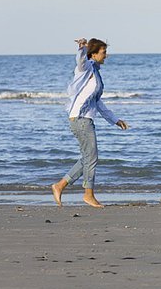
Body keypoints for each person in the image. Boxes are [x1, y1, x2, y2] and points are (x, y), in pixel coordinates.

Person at [52, 38, 128, 208]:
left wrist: (115, 120)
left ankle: (60, 186)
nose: (106, 56)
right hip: (80, 118)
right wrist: (81, 49)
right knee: (91, 157)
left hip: (85, 119)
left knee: (88, 158)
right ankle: (88, 194)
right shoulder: (86, 67)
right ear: (93, 54)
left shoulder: (96, 72)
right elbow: (80, 62)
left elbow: (98, 103)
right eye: (103, 52)